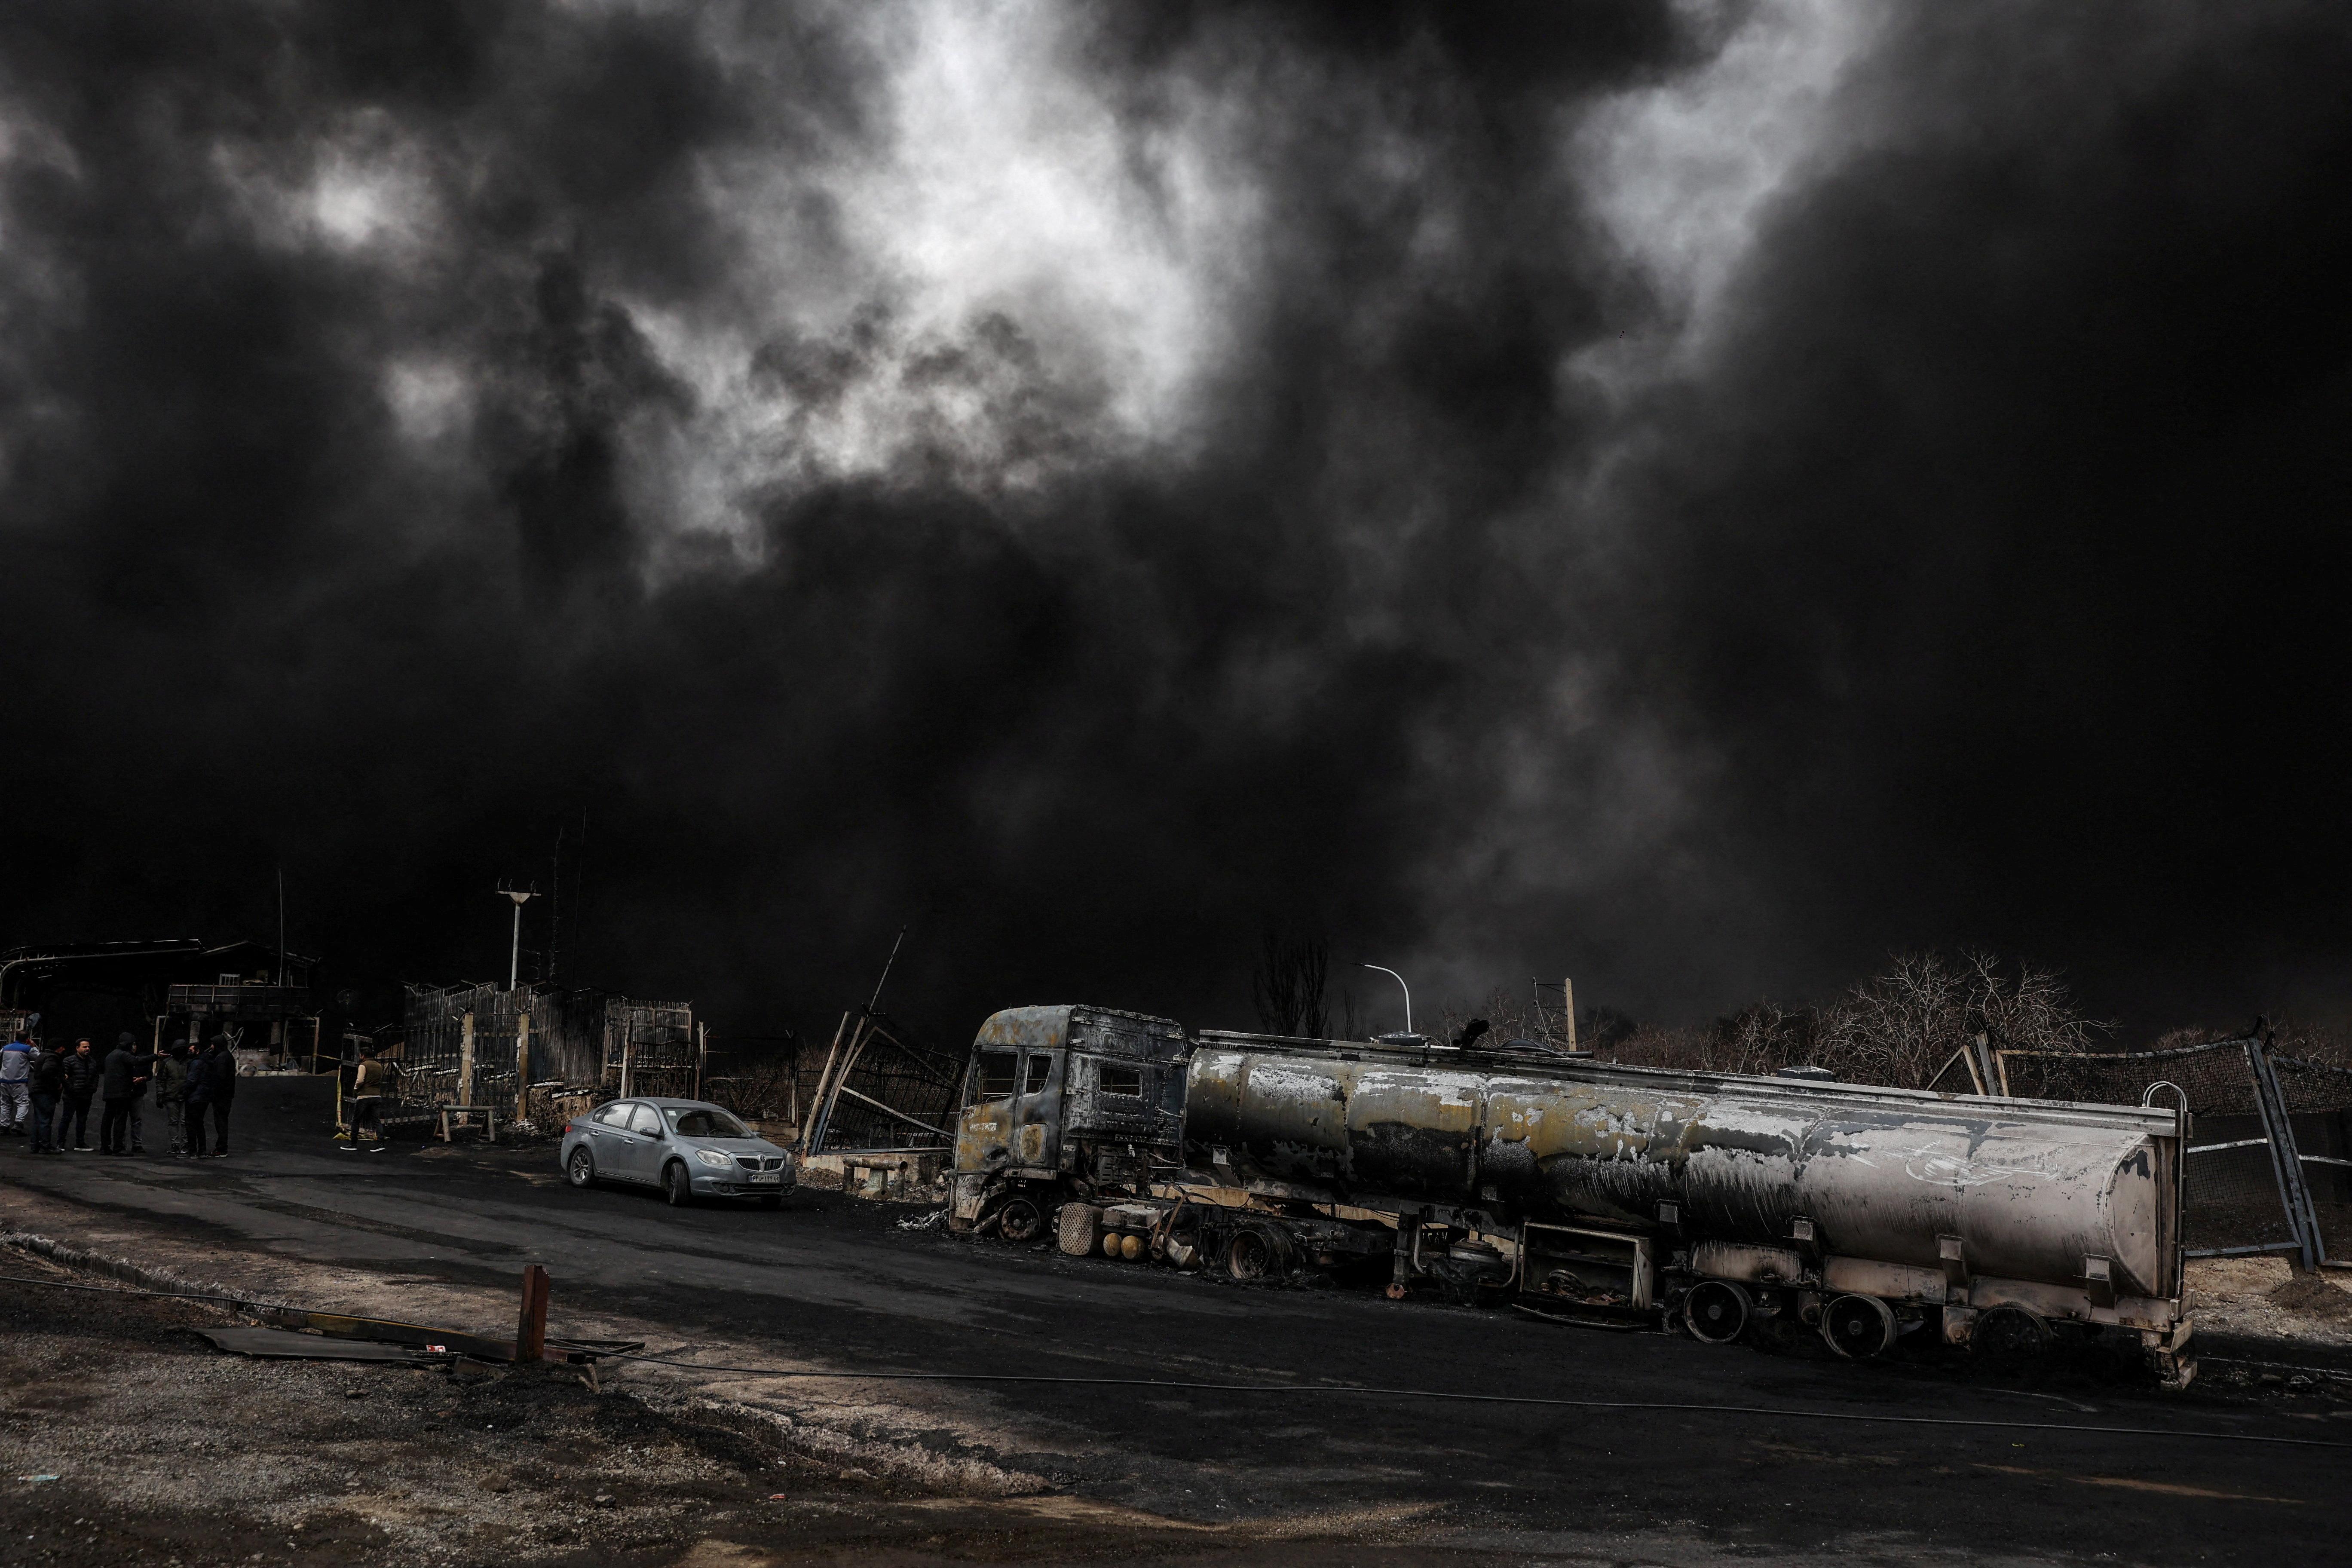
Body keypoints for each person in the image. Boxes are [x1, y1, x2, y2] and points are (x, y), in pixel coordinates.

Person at [99, 1035, 146, 1155]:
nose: (134, 1047)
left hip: (110, 1094)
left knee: (108, 1120)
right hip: (121, 1094)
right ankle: (118, 1148)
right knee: (120, 1121)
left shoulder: (111, 1056)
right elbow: (137, 1061)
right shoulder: (124, 1055)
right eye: (133, 1044)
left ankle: (105, 1147)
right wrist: (156, 1057)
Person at [58, 1039, 98, 1150]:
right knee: (66, 1119)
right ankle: (60, 1143)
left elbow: (96, 1076)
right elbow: (64, 1077)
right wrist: (72, 1089)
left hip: (86, 1096)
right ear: (77, 1048)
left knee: (82, 1120)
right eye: (85, 1047)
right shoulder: (69, 1061)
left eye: (88, 1047)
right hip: (72, 1096)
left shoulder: (92, 1062)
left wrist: (93, 1088)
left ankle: (80, 1143)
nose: (87, 1049)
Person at [153, 1041, 190, 1158]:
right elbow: (161, 1080)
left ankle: (184, 1144)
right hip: (172, 1097)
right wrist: (160, 1095)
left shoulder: (189, 1062)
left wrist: (160, 1095)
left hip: (183, 1096)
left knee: (183, 1122)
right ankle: (176, 1144)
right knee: (175, 1121)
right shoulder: (168, 1062)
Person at [28, 1040, 63, 1155]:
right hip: (46, 1091)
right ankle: (45, 1146)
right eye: (62, 1047)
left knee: (38, 1119)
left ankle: (35, 1145)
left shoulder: (42, 1056)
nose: (64, 1050)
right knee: (45, 1120)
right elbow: (48, 1071)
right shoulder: (53, 1057)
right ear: (59, 1048)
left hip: (37, 1091)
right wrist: (57, 1083)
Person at [0, 1030, 31, 1138]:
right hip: (19, 1081)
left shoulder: (5, 1048)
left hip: (4, 1081)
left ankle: (4, 1127)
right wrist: (33, 1046)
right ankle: (18, 1123)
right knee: (23, 1103)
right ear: (27, 1039)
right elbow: (39, 1057)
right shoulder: (27, 1049)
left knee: (5, 1103)